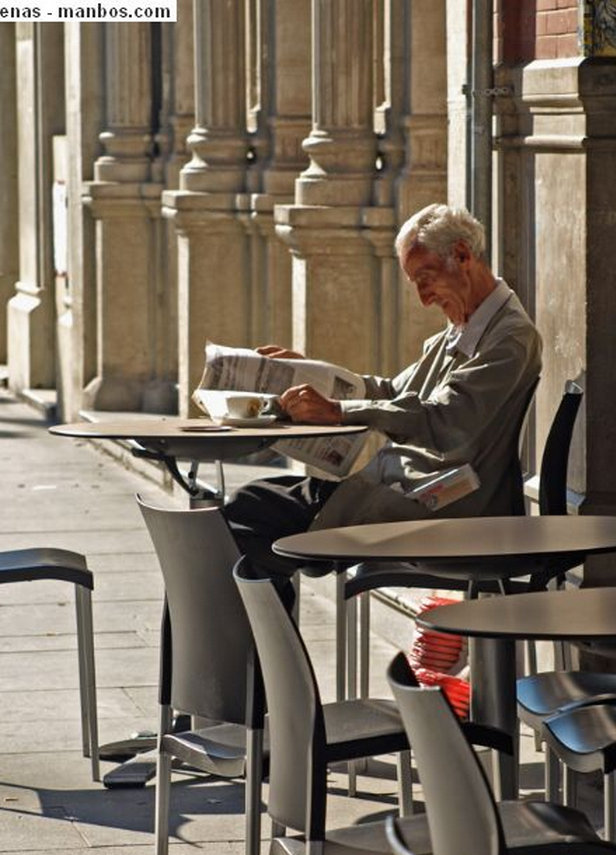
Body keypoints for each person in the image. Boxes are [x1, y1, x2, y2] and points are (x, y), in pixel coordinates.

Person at [223, 203, 543, 579]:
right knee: (244, 510)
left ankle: (253, 637)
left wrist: (340, 412)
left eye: (426, 278)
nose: (424, 299)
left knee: (239, 527)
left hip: (436, 506)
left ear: (462, 255)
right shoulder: (460, 330)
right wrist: (309, 372)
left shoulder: (509, 338)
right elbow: (392, 390)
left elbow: (447, 421)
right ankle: (251, 636)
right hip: (397, 489)